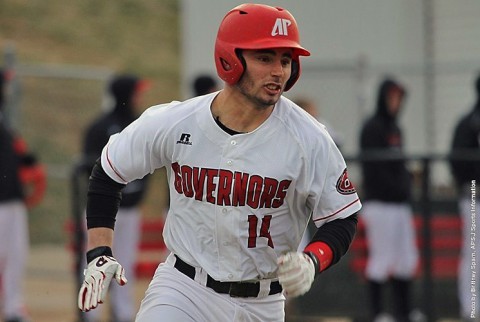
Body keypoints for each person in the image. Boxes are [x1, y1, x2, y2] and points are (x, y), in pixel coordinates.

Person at [77, 4, 361, 322]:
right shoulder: (177, 120)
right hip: (183, 289)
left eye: (285, 60)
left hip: (262, 303)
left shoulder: (309, 138)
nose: (278, 71)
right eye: (265, 58)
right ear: (230, 59)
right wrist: (99, 252)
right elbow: (109, 170)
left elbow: (342, 218)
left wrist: (313, 259)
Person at [81, 74, 151, 322]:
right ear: (127, 94)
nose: (140, 95)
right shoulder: (101, 126)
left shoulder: (140, 123)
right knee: (95, 264)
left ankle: (123, 314)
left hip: (130, 210)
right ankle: (90, 315)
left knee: (126, 264)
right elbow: (87, 167)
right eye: (136, 91)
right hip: (100, 211)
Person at [359, 77, 419, 322]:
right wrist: (396, 188)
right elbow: (375, 170)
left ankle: (404, 312)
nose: (395, 103)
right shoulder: (372, 127)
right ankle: (378, 313)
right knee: (381, 260)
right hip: (380, 205)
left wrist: (405, 188)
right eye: (391, 97)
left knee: (406, 259)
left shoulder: (396, 129)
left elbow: (400, 166)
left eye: (399, 98)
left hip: (399, 205)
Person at [0, 68, 46, 322]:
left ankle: (13, 307)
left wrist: (24, 160)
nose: (7, 90)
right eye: (4, 85)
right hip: (2, 202)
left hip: (11, 200)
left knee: (16, 254)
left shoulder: (4, 121)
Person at [450, 72, 480, 322]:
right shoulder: (470, 122)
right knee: (473, 252)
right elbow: (457, 161)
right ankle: (470, 309)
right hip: (474, 197)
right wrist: (470, 186)